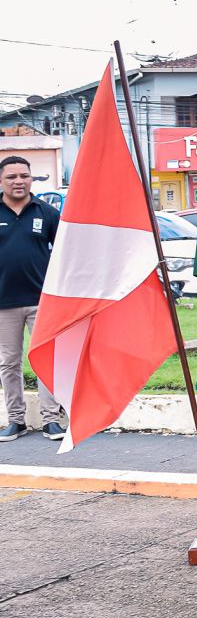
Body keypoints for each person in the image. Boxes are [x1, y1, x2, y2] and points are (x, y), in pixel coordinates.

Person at [0, 156, 64, 442]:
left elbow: (64, 253)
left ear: (31, 179)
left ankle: (51, 420)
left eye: (24, 176)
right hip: (4, 303)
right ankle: (16, 420)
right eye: (11, 176)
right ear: (1, 180)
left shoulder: (47, 213)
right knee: (8, 363)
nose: (18, 181)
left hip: (42, 302)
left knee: (45, 360)